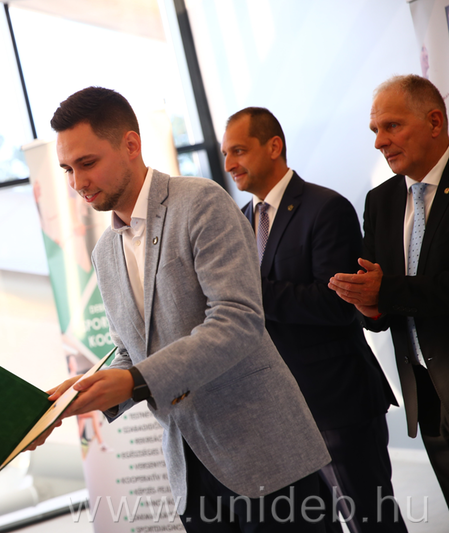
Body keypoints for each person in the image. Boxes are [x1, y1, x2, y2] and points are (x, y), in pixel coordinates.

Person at [48, 86, 330, 532]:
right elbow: (130, 353)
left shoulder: (200, 202)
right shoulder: (104, 252)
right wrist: (85, 392)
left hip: (263, 452)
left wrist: (134, 380)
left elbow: (238, 320)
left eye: (87, 163)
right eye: (67, 169)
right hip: (189, 469)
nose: (77, 182)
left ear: (130, 144)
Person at [223, 107, 405, 532]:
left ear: (274, 146)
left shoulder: (325, 208)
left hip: (336, 405)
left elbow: (338, 304)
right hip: (280, 413)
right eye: (225, 153)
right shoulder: (241, 222)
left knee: (371, 522)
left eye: (239, 150)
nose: (229, 163)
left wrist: (247, 293)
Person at [329, 74, 449, 507]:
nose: (380, 141)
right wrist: (367, 303)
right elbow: (380, 307)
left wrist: (384, 292)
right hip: (427, 394)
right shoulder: (380, 200)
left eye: (392, 126)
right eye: (375, 130)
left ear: (434, 122)